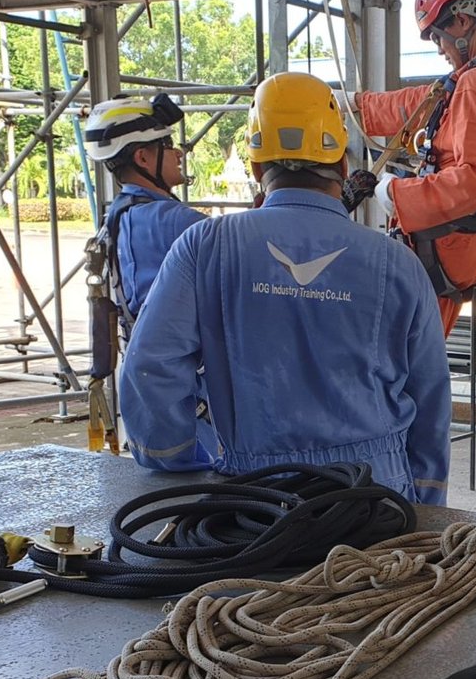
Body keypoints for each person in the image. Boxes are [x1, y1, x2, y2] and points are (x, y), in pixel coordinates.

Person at [118, 72, 451, 505]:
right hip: (373, 497)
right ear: (343, 166)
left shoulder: (205, 246)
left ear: (257, 168)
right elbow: (430, 399)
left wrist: (177, 460)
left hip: (255, 496)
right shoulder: (397, 263)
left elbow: (151, 369)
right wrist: (423, 505)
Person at [344, 0, 476, 336]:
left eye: (438, 38)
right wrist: (357, 107)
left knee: (395, 370)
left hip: (444, 246)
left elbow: (475, 180)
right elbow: (425, 103)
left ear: (462, 21)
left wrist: (395, 193)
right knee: (417, 368)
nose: (440, 50)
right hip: (456, 249)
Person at [82, 93, 206, 335]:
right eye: (168, 145)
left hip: (142, 357)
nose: (179, 154)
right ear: (142, 157)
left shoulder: (116, 216)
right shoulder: (173, 220)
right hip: (182, 364)